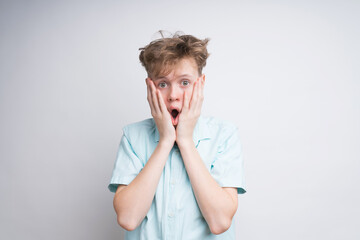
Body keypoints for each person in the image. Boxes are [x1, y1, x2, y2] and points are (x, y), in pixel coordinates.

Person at [108, 31, 246, 240]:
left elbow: (219, 222)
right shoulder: (133, 137)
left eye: (184, 82)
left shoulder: (224, 135)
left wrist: (185, 141)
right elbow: (128, 218)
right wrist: (165, 142)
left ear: (200, 84)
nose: (173, 95)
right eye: (162, 84)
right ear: (150, 87)